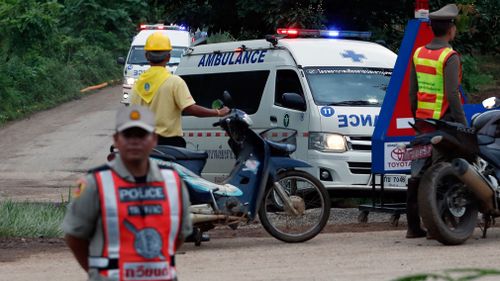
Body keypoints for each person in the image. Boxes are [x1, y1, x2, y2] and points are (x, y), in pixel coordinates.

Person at [62, 105, 192, 281]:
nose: (134, 141)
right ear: (116, 140)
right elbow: (74, 237)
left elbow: (179, 235)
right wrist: (98, 273)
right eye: (128, 135)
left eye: (141, 135)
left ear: (154, 139)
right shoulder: (94, 183)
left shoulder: (173, 182)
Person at [406, 3, 467, 238]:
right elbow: (452, 94)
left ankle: (413, 227)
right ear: (450, 29)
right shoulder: (449, 56)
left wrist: (416, 116)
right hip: (444, 123)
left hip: (422, 122)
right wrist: (462, 125)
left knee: (417, 173)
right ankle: (439, 224)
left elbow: (413, 92)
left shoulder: (419, 54)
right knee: (444, 171)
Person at [130, 31, 230, 147]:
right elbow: (190, 109)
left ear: (147, 56)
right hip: (169, 145)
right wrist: (218, 112)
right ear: (168, 57)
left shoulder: (138, 84)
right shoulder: (175, 82)